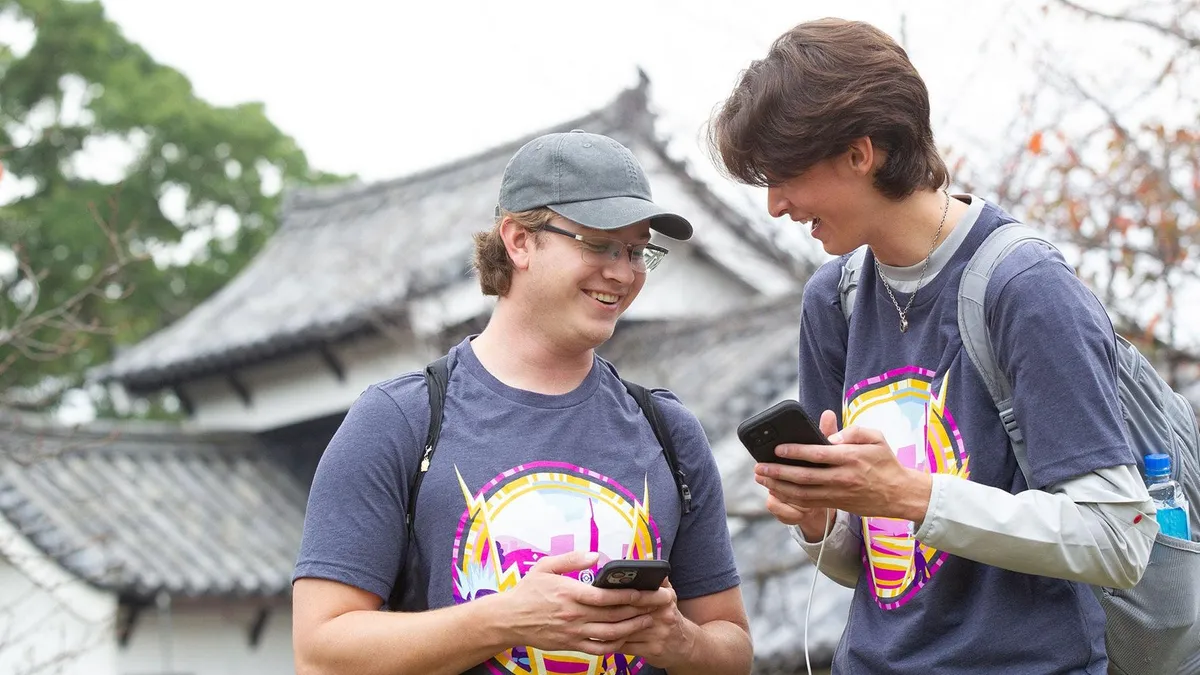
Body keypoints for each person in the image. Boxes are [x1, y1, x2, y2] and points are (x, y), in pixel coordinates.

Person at [707, 18, 1159, 674]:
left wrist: (909, 495)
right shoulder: (832, 300)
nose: (775, 205)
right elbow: (862, 563)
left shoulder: (1025, 288)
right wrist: (819, 517)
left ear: (860, 153)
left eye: (783, 175)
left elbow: (1118, 539)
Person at [292, 129, 753, 675]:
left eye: (636, 251)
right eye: (598, 244)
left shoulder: (667, 430)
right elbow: (321, 654)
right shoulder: (399, 420)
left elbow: (733, 649)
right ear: (518, 241)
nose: (623, 272)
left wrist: (679, 640)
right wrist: (507, 619)